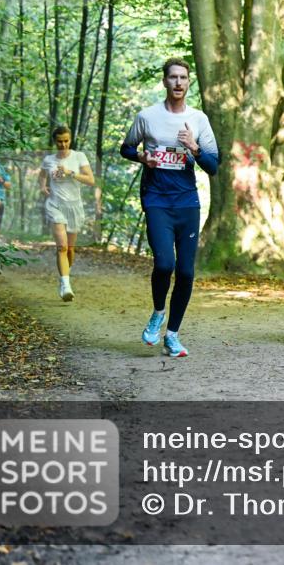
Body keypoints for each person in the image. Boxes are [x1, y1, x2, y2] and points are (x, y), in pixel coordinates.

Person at [120, 57, 219, 358]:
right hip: (157, 200)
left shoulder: (198, 120)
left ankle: (172, 336)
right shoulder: (147, 117)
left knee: (187, 273)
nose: (178, 83)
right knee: (165, 264)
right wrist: (142, 158)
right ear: (164, 82)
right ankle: (157, 313)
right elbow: (126, 147)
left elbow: (213, 165)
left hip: (187, 202)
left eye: (183, 78)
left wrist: (194, 147)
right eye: (173, 77)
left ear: (189, 83)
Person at [39, 126, 94, 301]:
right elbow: (42, 175)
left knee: (70, 249)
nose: (63, 144)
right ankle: (65, 285)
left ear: (70, 140)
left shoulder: (79, 157)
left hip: (74, 207)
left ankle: (64, 277)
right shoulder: (48, 160)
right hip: (55, 205)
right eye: (59, 141)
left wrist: (71, 173)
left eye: (66, 141)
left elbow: (91, 180)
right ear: (54, 141)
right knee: (62, 246)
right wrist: (42, 186)